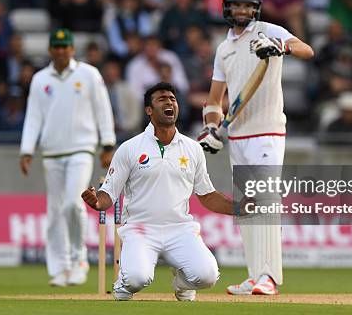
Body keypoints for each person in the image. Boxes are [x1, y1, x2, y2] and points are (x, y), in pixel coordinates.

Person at [197, 0, 314, 295]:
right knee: (246, 206)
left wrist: (281, 47)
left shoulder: (269, 31)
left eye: (248, 6)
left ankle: (269, 277)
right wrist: (211, 128)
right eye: (238, 5)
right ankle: (254, 274)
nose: (243, 11)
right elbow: (214, 99)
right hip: (237, 135)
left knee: (265, 201)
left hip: (268, 131)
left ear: (256, 9)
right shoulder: (223, 49)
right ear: (228, 8)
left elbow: (307, 50)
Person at [81, 82, 241, 301]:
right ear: (149, 110)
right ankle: (124, 282)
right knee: (137, 279)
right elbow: (109, 192)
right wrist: (97, 202)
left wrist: (239, 207)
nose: (169, 102)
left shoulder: (192, 148)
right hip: (140, 229)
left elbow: (207, 195)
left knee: (208, 276)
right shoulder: (130, 148)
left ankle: (183, 282)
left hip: (180, 229)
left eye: (172, 99)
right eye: (162, 99)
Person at [19, 28, 116, 287]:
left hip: (82, 149)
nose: (61, 51)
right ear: (50, 50)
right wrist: (27, 150)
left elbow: (102, 108)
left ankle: (79, 260)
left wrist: (108, 143)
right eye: (56, 47)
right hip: (51, 152)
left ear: (72, 49)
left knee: (72, 204)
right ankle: (60, 268)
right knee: (54, 212)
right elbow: (33, 117)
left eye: (65, 46)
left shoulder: (88, 74)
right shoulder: (41, 79)